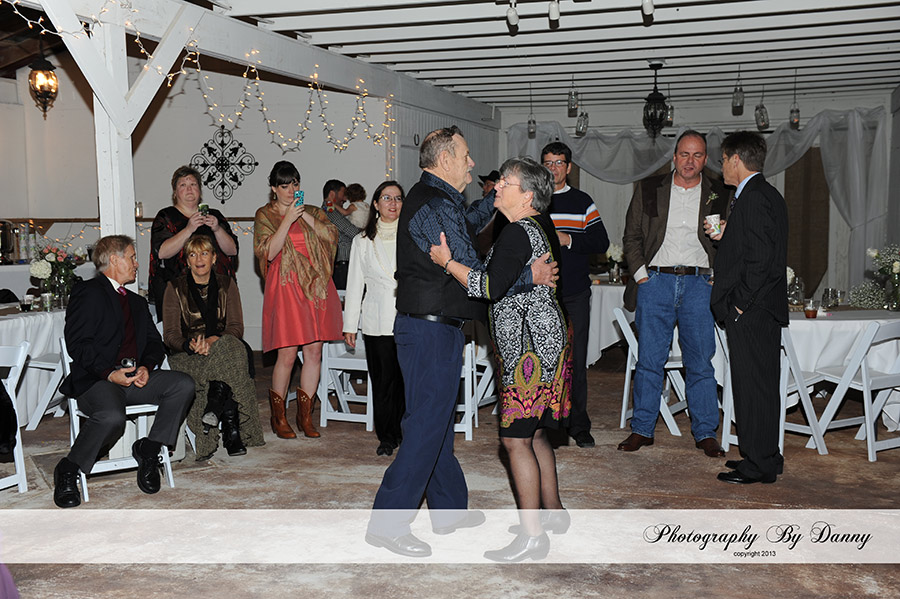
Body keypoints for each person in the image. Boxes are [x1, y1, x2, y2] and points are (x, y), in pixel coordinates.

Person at [365, 125, 558, 558]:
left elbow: (467, 223)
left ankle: (449, 510)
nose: (472, 162)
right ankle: (388, 524)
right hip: (429, 330)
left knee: (436, 423)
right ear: (445, 160)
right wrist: (529, 275)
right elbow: (479, 277)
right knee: (424, 426)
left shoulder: (440, 199)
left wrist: (495, 195)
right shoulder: (433, 204)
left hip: (435, 328)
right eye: (466, 155)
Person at [430, 157, 572, 563]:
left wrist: (447, 262)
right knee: (536, 433)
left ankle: (532, 537)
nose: (496, 187)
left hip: (529, 349)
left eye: (505, 183)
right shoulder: (538, 224)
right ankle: (552, 513)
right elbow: (517, 280)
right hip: (547, 340)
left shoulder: (516, 232)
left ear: (526, 195)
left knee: (515, 440)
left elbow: (488, 286)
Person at [52, 235, 194, 509]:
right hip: (98, 380)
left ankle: (149, 449)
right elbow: (78, 344)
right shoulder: (88, 292)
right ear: (115, 260)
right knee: (111, 417)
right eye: (132, 257)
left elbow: (154, 343)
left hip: (134, 379)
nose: (136, 264)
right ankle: (69, 468)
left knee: (183, 384)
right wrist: (109, 373)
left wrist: (146, 366)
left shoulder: (137, 303)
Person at [618, 130, 729, 457]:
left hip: (699, 285)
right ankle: (642, 428)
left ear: (705, 160)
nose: (689, 161)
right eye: (684, 154)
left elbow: (732, 239)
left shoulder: (720, 193)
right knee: (650, 360)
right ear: (674, 156)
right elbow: (631, 236)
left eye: (697, 155)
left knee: (701, 362)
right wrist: (642, 276)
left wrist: (717, 274)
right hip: (656, 282)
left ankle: (706, 432)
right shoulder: (649, 188)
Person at [709, 130, 788, 485]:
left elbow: (761, 261)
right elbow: (755, 249)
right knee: (760, 387)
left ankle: (758, 464)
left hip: (752, 311)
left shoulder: (753, 198)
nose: (722, 166)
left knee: (753, 388)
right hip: (760, 310)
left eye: (724, 159)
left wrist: (739, 305)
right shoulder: (764, 194)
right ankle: (765, 456)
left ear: (736, 160)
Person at [254, 161, 342, 440]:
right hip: (286, 287)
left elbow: (332, 237)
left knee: (314, 352)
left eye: (295, 183)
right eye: (284, 185)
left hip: (316, 287)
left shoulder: (313, 211)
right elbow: (268, 252)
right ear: (273, 188)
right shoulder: (265, 214)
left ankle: (305, 416)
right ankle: (278, 417)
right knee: (288, 353)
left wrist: (304, 216)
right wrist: (288, 219)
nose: (291, 190)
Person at [162, 234, 264, 460]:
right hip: (187, 355)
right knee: (232, 359)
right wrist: (190, 345)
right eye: (192, 254)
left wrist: (212, 341)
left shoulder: (227, 284)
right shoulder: (174, 287)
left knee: (231, 347)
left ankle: (214, 408)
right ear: (187, 261)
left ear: (214, 258)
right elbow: (170, 335)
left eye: (204, 253)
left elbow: (236, 328)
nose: (199, 259)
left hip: (221, 345)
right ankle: (231, 429)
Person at [542, 141, 610, 448]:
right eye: (548, 163)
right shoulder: (533, 200)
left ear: (569, 168)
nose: (553, 168)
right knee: (546, 360)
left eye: (559, 163)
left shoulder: (582, 201)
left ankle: (579, 425)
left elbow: (601, 242)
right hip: (542, 295)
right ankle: (547, 424)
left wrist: (568, 239)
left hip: (575, 294)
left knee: (576, 359)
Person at [342, 181, 406, 457]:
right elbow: (355, 284)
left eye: (398, 198)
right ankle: (387, 437)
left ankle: (406, 433)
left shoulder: (412, 235)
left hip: (408, 319)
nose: (393, 203)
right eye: (387, 198)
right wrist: (350, 325)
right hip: (376, 320)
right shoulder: (362, 241)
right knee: (382, 383)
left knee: (406, 381)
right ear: (376, 204)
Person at [149, 165, 238, 319]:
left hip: (215, 290)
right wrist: (189, 229)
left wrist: (217, 229)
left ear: (200, 190)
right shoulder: (166, 216)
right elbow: (161, 253)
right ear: (175, 192)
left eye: (193, 184)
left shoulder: (214, 215)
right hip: (178, 292)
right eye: (183, 185)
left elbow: (233, 250)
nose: (189, 189)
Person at [323, 179, 360, 291]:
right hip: (342, 266)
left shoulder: (331, 210)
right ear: (332, 194)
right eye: (343, 194)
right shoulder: (330, 211)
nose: (345, 199)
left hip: (341, 266)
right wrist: (368, 232)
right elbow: (352, 232)